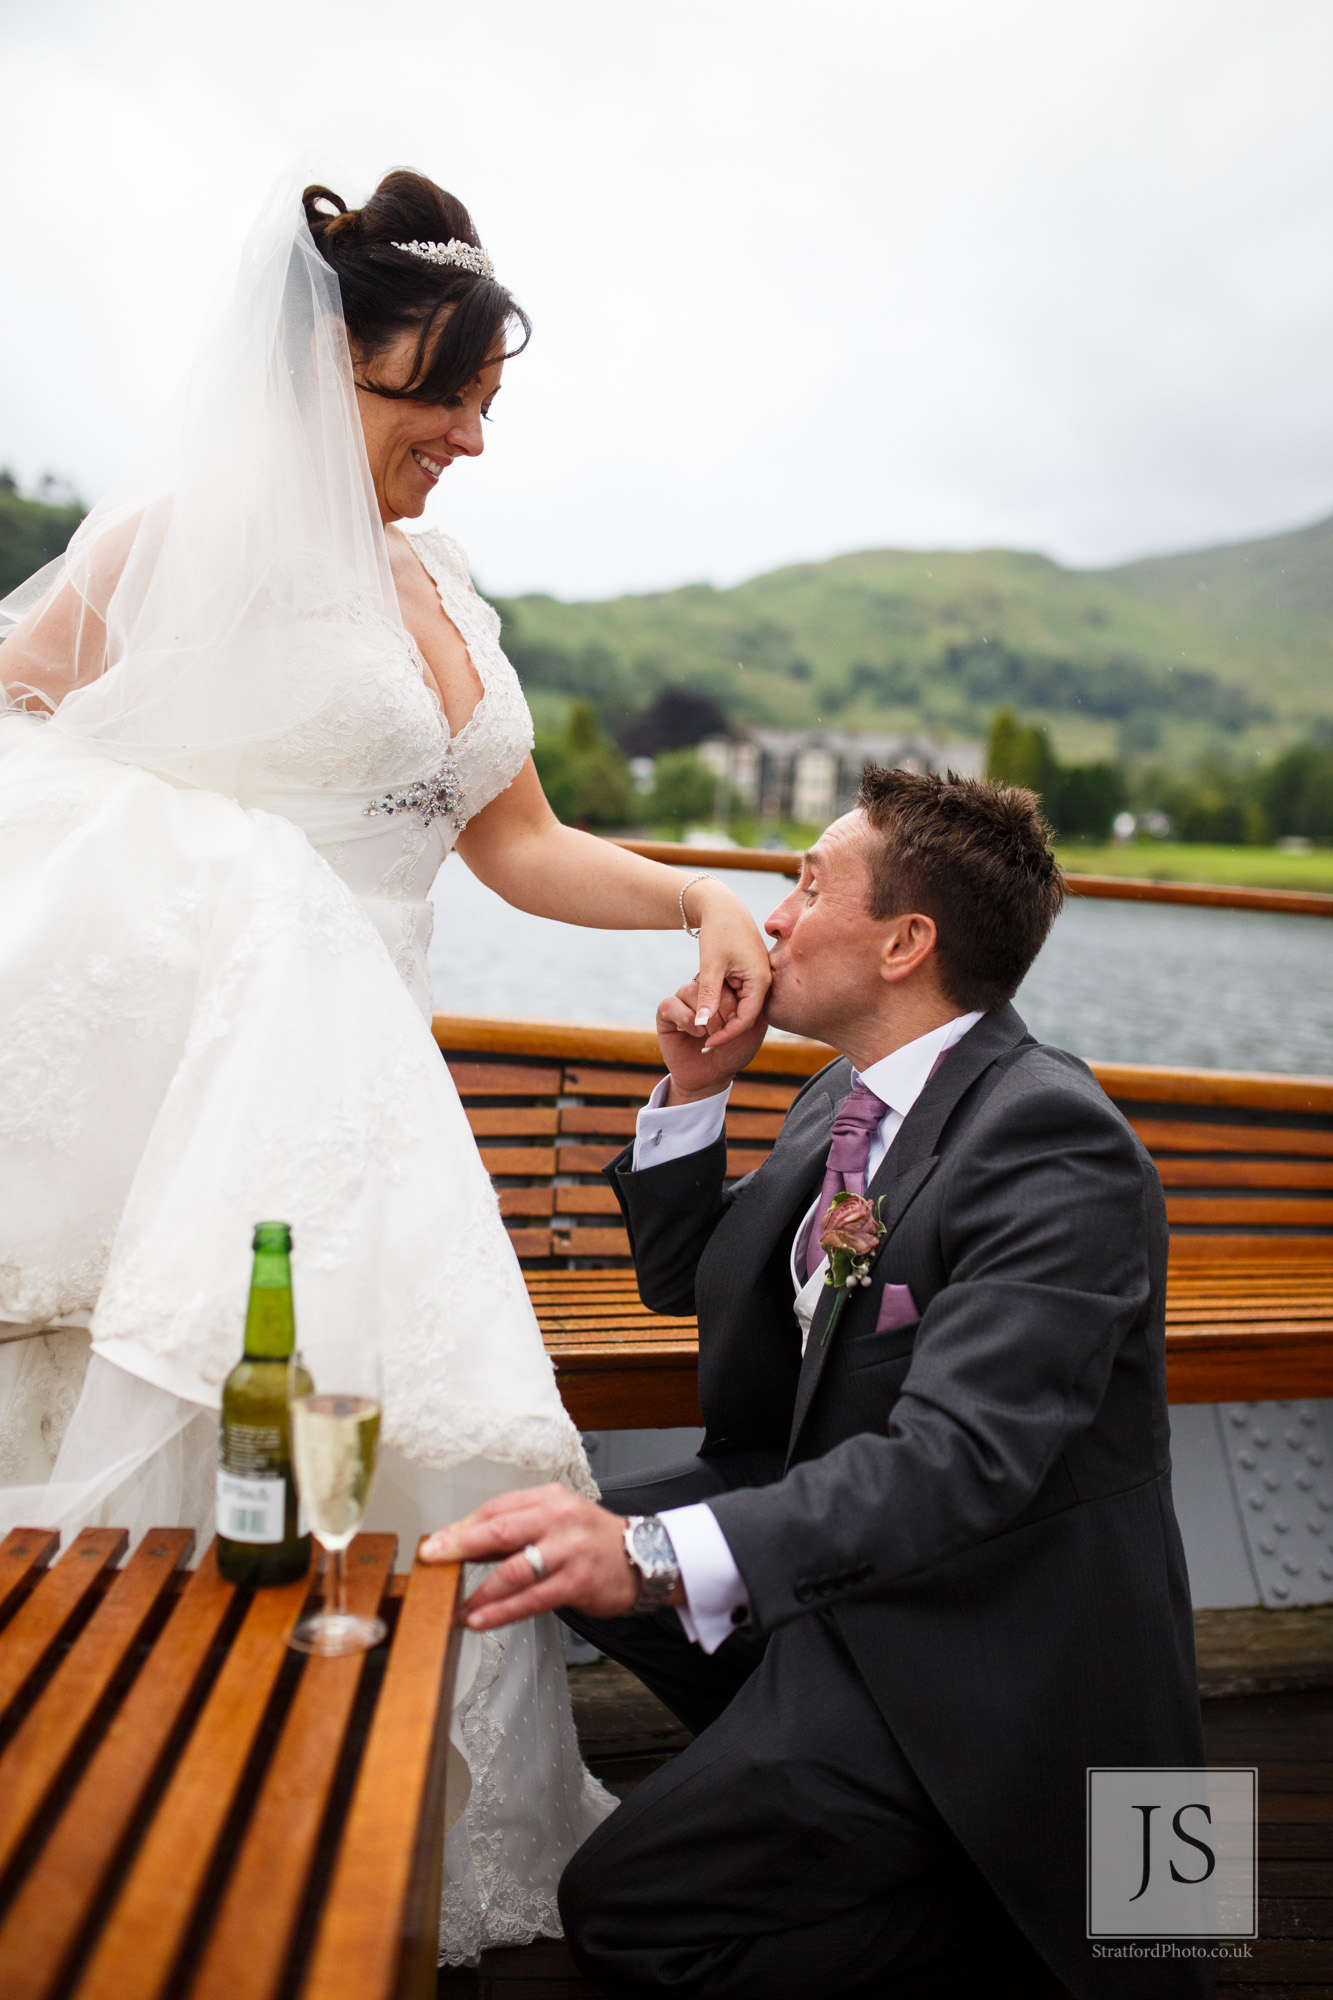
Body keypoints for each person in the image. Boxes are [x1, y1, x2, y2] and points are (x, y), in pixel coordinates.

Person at [0, 166, 770, 1962]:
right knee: (229, 1439)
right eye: (440, 399)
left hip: (372, 1107)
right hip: (208, 1087)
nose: (468, 441)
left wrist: (691, 903)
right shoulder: (172, 548)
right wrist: (193, 880)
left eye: (486, 407)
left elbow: (510, 840)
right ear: (321, 374)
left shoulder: (439, 587)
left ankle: (396, 1851)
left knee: (396, 1442)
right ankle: (170, 1847)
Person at [423, 766, 1210, 1998]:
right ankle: (853, 1816)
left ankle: (1001, 1899)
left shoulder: (1054, 1141)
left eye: (805, 881)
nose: (771, 916)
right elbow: (690, 1276)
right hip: (847, 1566)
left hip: (985, 1632)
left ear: (905, 941)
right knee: (564, 1557)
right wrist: (694, 1090)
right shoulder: (848, 1092)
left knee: (621, 1907)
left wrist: (659, 1556)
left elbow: (958, 1460)